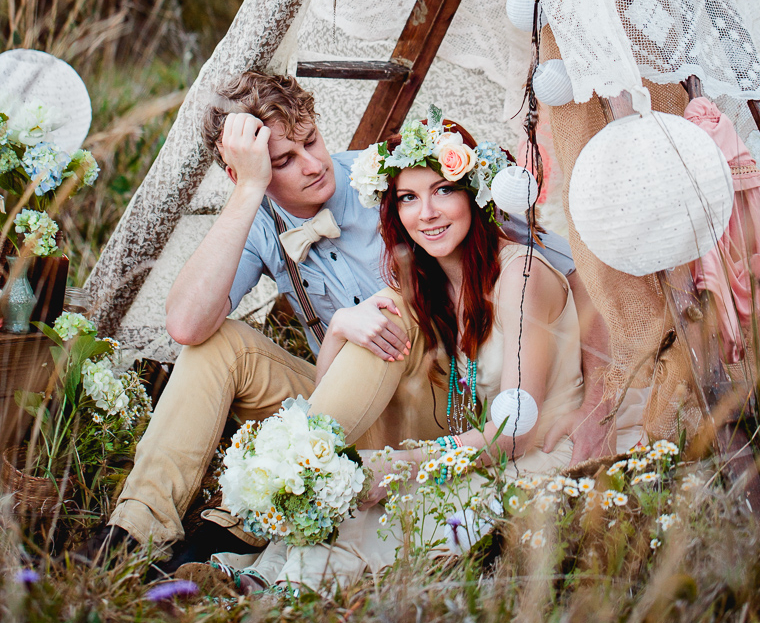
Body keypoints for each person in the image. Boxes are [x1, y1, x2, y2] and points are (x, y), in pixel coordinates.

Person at [84, 72, 610, 565]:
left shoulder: (391, 180)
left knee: (390, 307)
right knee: (216, 347)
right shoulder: (259, 217)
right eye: (283, 160)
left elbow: (570, 270)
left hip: (435, 403)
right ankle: (133, 529)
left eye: (310, 141)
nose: (313, 164)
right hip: (341, 404)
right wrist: (247, 192)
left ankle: (248, 519)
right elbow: (185, 325)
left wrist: (600, 399)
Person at [228, 114, 642, 593]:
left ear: (474, 195)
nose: (426, 212)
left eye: (443, 190)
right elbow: (331, 391)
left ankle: (288, 589)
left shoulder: (519, 277)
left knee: (401, 517)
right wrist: (339, 330)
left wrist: (405, 465)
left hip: (546, 451)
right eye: (408, 197)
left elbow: (515, 435)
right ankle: (273, 571)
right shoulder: (428, 290)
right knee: (373, 503)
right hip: (485, 447)